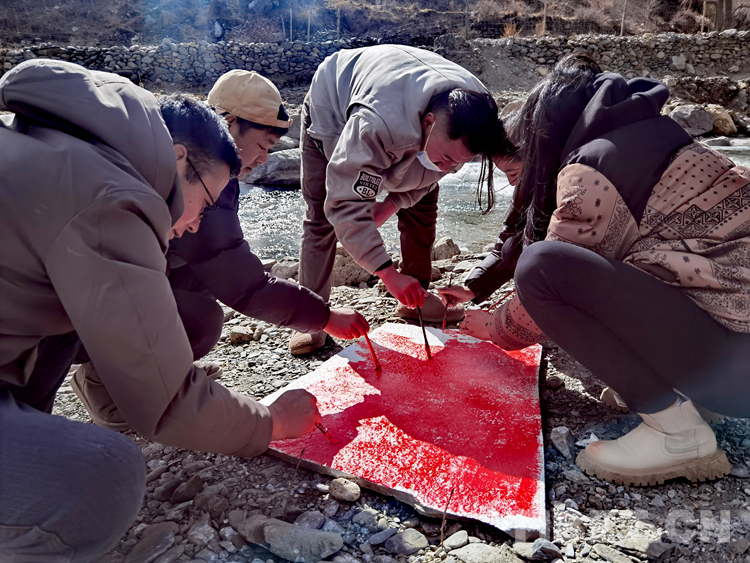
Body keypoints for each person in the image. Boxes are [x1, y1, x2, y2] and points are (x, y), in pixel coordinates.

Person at [0, 60, 314, 562]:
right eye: (204, 203)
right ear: (178, 158)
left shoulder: (65, 147)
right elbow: (167, 402)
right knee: (104, 476)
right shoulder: (112, 198)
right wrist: (271, 421)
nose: (196, 225)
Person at [440, 53, 750, 486]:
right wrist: (479, 283)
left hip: (733, 373)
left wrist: (494, 328)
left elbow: (551, 269)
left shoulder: (594, 167)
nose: (514, 181)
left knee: (541, 268)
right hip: (733, 358)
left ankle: (677, 434)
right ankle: (689, 401)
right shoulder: (656, 137)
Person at [70, 69, 370, 428]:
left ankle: (163, 372)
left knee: (199, 277)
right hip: (76, 303)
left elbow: (219, 260)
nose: (264, 159)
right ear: (229, 124)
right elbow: (241, 282)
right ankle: (103, 387)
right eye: (262, 145)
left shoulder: (204, 170)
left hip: (108, 287)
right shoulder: (186, 173)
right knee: (202, 321)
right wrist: (324, 317)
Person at [289, 44, 513, 355]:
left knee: (423, 203)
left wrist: (391, 203)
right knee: (320, 218)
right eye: (446, 158)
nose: (447, 169)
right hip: (333, 107)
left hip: (403, 94)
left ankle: (414, 297)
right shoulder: (376, 124)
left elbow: (431, 175)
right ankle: (312, 318)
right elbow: (344, 202)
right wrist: (386, 273)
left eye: (457, 164)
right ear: (429, 123)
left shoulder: (478, 115)